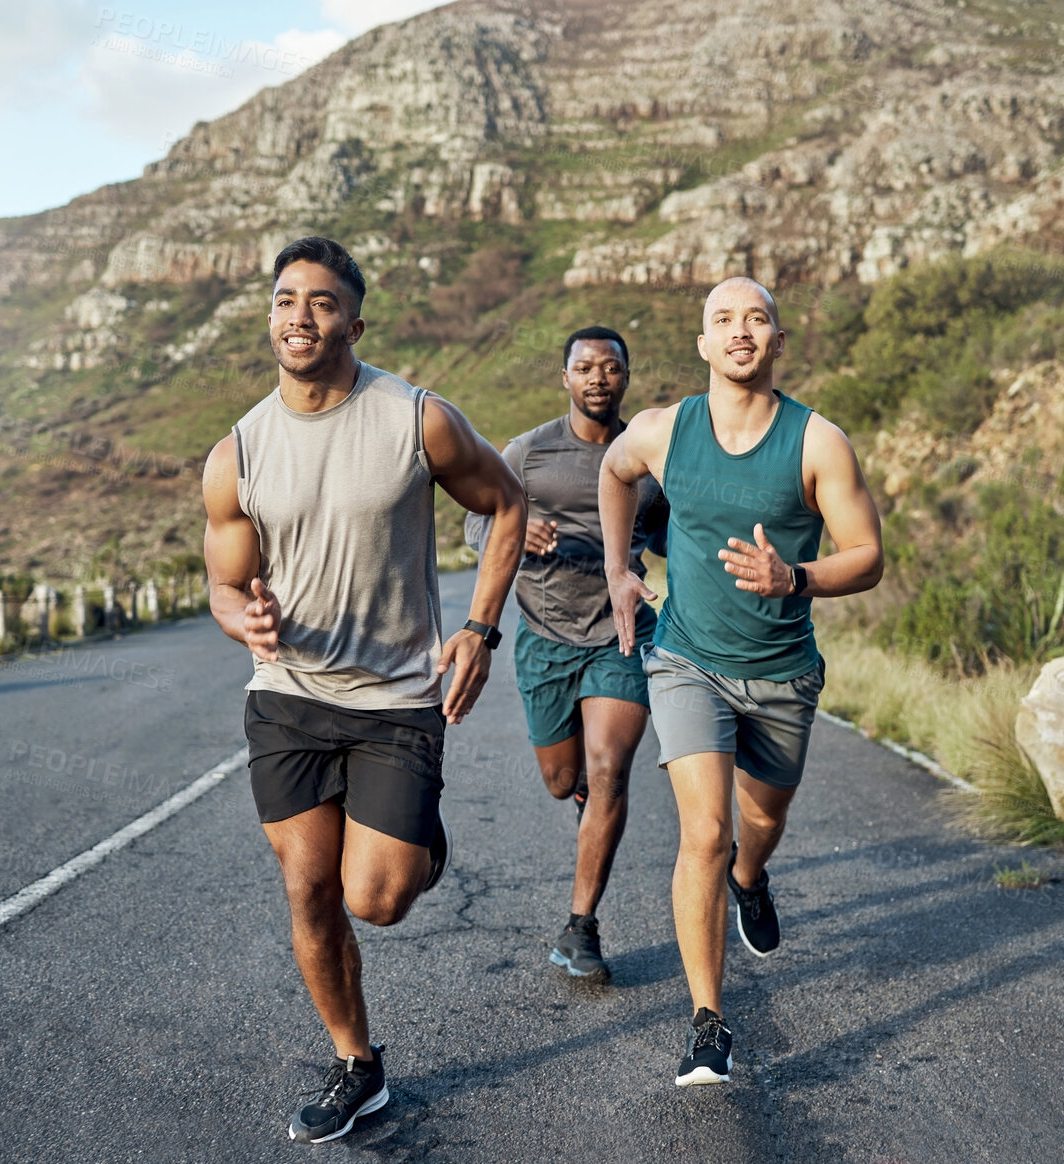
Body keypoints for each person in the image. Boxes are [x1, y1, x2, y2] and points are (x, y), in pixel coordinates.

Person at [202, 237, 526, 1143]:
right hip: (288, 698)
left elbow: (505, 503)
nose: (298, 315)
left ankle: (418, 839)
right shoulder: (237, 452)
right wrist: (242, 620)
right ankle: (357, 1065)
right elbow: (225, 583)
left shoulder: (415, 418)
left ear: (353, 319)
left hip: (393, 700)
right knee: (308, 888)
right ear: (268, 315)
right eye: (283, 299)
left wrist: (479, 627)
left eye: (319, 302)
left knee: (375, 899)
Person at [597, 276, 883, 1086]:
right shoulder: (661, 430)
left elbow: (867, 555)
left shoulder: (816, 442)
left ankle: (750, 880)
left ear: (776, 340)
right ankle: (707, 1023)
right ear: (701, 342)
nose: (739, 332)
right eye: (722, 320)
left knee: (757, 826)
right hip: (686, 661)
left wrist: (793, 578)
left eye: (755, 319)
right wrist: (622, 570)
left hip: (783, 674)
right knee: (703, 833)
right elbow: (614, 474)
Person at [464, 326, 668, 984]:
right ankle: (580, 790)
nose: (599, 378)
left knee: (610, 767)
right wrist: (518, 531)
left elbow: (669, 535)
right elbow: (477, 521)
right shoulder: (527, 452)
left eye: (611, 367)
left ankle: (580, 928)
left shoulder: (646, 455)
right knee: (563, 780)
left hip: (622, 632)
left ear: (626, 378)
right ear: (566, 378)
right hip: (545, 635)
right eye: (585, 367)